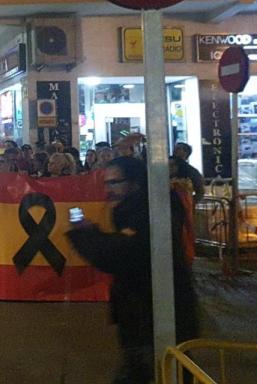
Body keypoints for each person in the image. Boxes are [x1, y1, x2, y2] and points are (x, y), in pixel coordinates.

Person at [67, 156, 198, 384]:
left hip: (153, 313)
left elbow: (119, 254)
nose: (109, 190)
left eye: (115, 182)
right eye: (106, 183)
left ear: (136, 183)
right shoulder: (137, 209)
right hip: (143, 313)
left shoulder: (150, 211)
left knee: (154, 370)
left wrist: (84, 233)